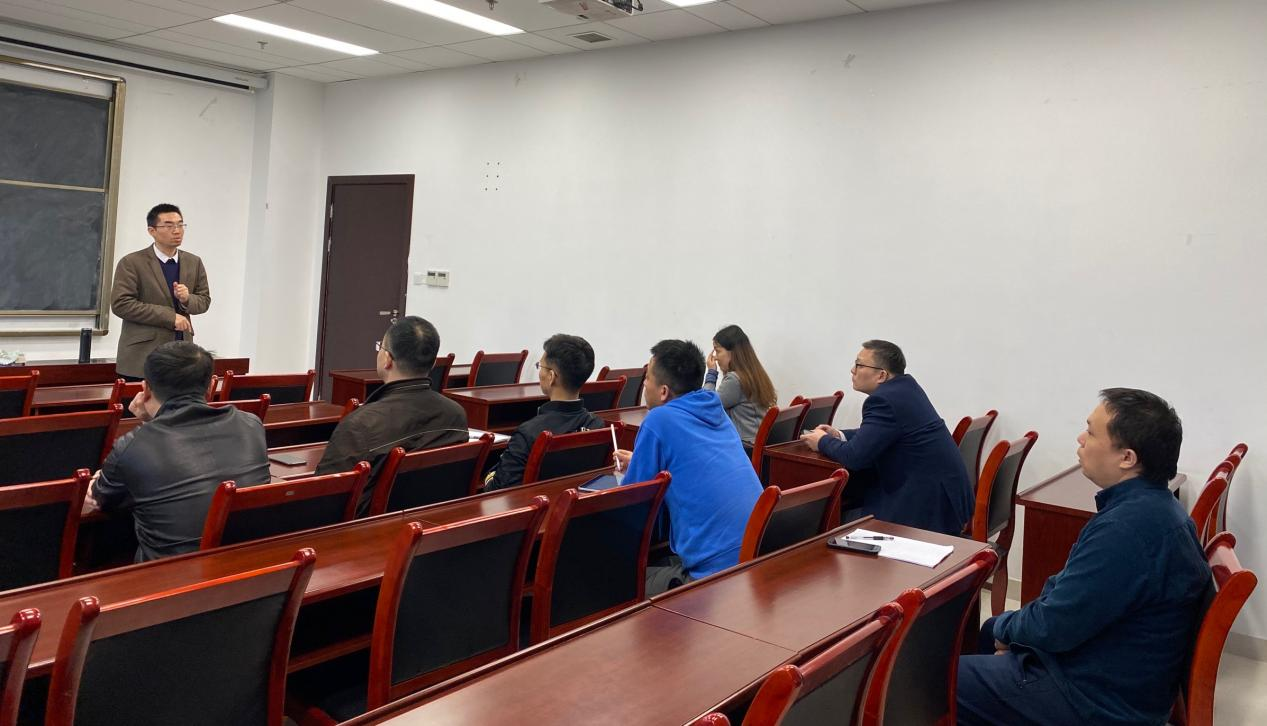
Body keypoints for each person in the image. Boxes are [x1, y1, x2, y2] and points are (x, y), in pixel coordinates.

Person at [956, 388, 1210, 726]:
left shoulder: (1126, 529)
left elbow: (1054, 625)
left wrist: (1009, 631)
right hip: (1115, 677)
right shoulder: (1157, 510)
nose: (1080, 438)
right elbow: (1066, 606)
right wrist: (1012, 633)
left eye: (1091, 432)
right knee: (992, 633)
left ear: (1127, 458)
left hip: (1094, 699)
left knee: (929, 682)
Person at [86, 342, 269, 561]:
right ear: (211, 386)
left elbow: (101, 498)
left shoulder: (133, 445)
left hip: (172, 575)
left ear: (146, 389)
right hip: (247, 565)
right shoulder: (251, 425)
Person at [614, 339, 763, 595]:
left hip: (714, 579)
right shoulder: (715, 409)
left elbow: (632, 505)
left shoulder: (658, 419)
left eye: (647, 378)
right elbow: (694, 462)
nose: (644, 384)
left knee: (615, 582)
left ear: (663, 391)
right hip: (756, 556)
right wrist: (640, 460)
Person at [799, 339, 971, 535]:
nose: (852, 370)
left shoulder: (883, 400)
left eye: (859, 365)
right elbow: (884, 433)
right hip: (943, 497)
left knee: (827, 524)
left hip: (924, 508)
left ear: (881, 375)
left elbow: (855, 457)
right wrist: (839, 435)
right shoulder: (905, 388)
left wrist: (822, 442)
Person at [316, 316, 467, 514]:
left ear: (387, 359)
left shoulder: (360, 425)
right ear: (432, 363)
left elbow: (322, 499)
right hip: (435, 521)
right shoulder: (456, 414)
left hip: (371, 529)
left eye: (380, 347)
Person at [484, 334, 608, 491]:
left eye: (540, 366)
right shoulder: (597, 425)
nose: (539, 372)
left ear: (551, 376)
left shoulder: (529, 432)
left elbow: (500, 490)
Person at [110, 203, 211, 381]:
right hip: (142, 355)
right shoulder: (132, 262)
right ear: (152, 231)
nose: (177, 230)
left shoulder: (194, 262)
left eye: (180, 225)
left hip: (182, 354)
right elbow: (121, 304)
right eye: (169, 226)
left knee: (181, 399)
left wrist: (187, 299)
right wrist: (170, 317)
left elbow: (204, 301)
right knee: (140, 400)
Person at [704, 324, 777, 443]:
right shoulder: (753, 374)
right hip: (757, 442)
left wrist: (711, 373)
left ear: (732, 353)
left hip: (745, 447)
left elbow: (706, 406)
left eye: (717, 351)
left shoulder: (734, 380)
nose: (715, 358)